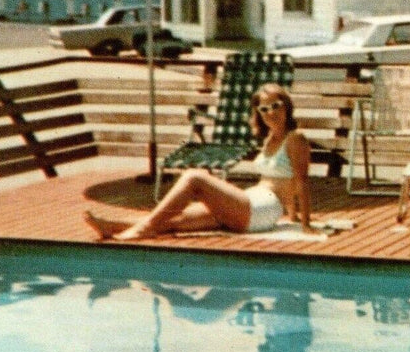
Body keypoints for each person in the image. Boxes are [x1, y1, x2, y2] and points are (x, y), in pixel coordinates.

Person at [84, 83, 313, 240]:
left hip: (263, 209)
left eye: (276, 105)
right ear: (259, 114)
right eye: (264, 109)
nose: (271, 113)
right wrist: (293, 216)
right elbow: (285, 180)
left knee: (195, 178)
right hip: (252, 202)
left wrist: (305, 225)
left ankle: (144, 229)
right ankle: (112, 226)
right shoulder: (271, 138)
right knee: (177, 218)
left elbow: (301, 182)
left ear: (286, 106)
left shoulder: (296, 138)